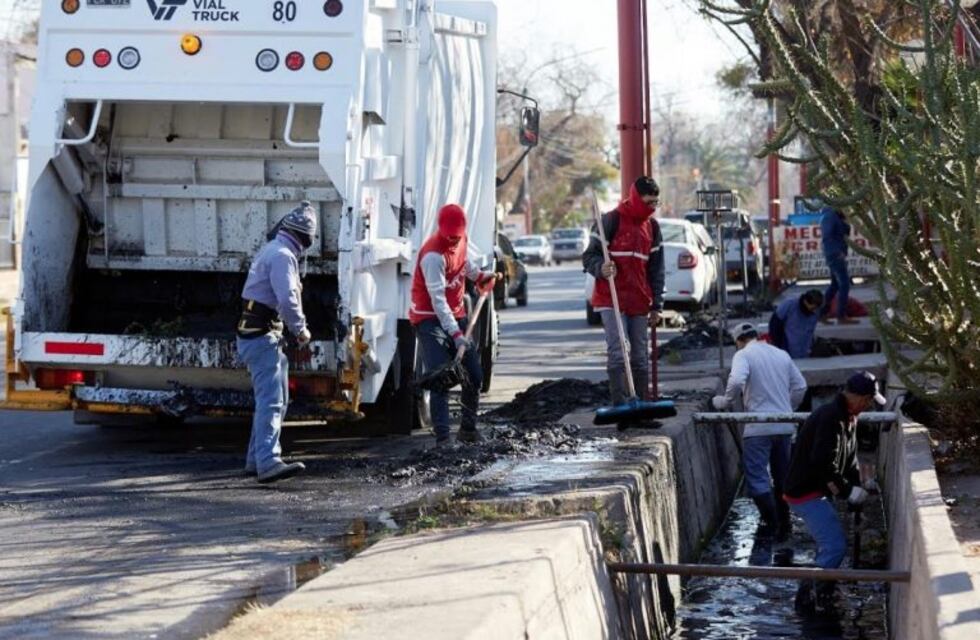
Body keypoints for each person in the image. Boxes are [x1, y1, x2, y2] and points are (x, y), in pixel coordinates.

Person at [783, 371, 886, 613]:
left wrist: (855, 493)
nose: (869, 404)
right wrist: (848, 491)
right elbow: (821, 461)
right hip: (804, 491)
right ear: (856, 397)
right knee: (835, 547)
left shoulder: (850, 417)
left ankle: (824, 589)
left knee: (829, 544)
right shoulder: (831, 418)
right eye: (868, 399)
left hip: (816, 488)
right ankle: (808, 595)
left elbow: (849, 459)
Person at [236, 201, 317, 484]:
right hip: (262, 336)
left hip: (259, 335)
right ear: (306, 238)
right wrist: (301, 330)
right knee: (272, 401)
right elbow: (287, 299)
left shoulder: (271, 250)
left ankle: (255, 459)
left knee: (276, 400)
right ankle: (268, 462)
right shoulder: (284, 256)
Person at [410, 204, 496, 447]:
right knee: (441, 377)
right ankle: (443, 439)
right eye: (450, 236)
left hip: (456, 315)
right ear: (441, 229)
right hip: (429, 319)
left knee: (474, 375)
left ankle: (468, 430)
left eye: (457, 235)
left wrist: (480, 276)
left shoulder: (461, 239)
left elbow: (462, 265)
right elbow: (438, 302)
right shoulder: (432, 256)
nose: (454, 239)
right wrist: (456, 334)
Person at [712, 322, 808, 540]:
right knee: (782, 477)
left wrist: (726, 401)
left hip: (758, 427)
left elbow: (736, 380)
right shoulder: (781, 354)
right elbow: (800, 386)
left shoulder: (743, 355)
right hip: (784, 425)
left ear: (739, 341)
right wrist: (787, 410)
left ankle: (771, 523)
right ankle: (785, 524)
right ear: (757, 335)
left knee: (757, 478)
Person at [582, 176, 665, 406]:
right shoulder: (610, 221)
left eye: (655, 203)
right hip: (611, 298)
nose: (652, 208)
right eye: (648, 202)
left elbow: (657, 270)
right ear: (636, 198)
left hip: (639, 299)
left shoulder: (653, 228)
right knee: (618, 353)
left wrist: (657, 305)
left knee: (640, 357)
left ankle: (641, 405)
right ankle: (620, 406)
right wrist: (601, 267)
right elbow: (589, 256)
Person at [819, 208, 858, 325]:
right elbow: (828, 235)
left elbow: (841, 232)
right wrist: (838, 251)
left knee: (835, 285)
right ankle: (841, 316)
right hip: (835, 253)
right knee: (844, 284)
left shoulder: (833, 216)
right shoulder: (830, 216)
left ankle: (821, 313)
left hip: (834, 252)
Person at [769, 289, 824, 359]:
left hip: (805, 349)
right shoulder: (789, 305)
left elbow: (810, 331)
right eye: (812, 308)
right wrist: (779, 344)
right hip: (787, 348)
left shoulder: (816, 310)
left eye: (816, 308)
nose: (813, 310)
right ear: (805, 301)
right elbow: (774, 325)